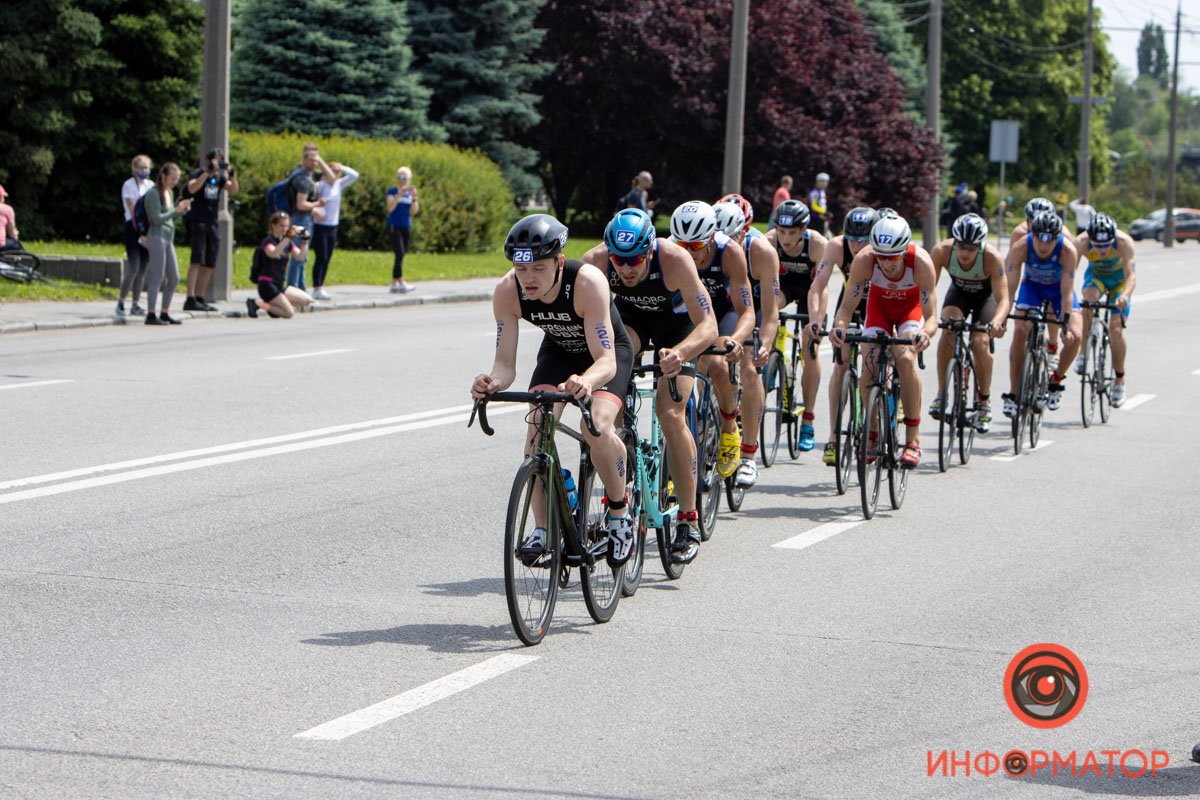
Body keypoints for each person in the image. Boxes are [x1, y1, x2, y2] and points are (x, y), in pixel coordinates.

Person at [471, 214, 637, 568]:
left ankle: (620, 513)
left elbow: (607, 359)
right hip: (559, 352)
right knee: (536, 431)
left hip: (604, 355)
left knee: (596, 425)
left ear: (559, 262)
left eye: (539, 269)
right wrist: (492, 383)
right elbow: (505, 364)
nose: (528, 279)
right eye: (521, 268)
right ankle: (544, 528)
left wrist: (588, 381)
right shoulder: (506, 291)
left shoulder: (587, 282)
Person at [582, 208, 718, 564]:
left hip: (677, 330)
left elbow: (708, 325)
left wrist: (682, 353)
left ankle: (688, 519)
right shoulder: (595, 262)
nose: (626, 269)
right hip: (633, 327)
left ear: (650, 251)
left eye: (636, 260)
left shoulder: (674, 259)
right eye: (619, 260)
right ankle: (622, 484)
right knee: (610, 399)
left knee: (670, 414)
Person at [830, 215, 937, 468]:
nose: (886, 263)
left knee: (905, 356)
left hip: (909, 312)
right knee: (870, 358)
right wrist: (839, 327)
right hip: (879, 310)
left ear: (904, 250)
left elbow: (932, 317)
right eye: (881, 256)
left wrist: (925, 335)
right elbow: (846, 308)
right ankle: (873, 430)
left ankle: (912, 439)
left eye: (892, 256)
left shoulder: (920, 262)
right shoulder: (865, 260)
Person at [676, 200, 754, 482]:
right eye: (683, 246)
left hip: (724, 313)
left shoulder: (730, 252)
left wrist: (736, 340)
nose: (689, 253)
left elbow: (747, 311)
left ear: (710, 237)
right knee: (678, 380)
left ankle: (730, 426)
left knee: (718, 362)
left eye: (696, 246)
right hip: (690, 314)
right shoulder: (673, 253)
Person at [714, 193, 780, 488]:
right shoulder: (708, 248)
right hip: (719, 308)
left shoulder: (762, 252)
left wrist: (764, 344)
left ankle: (749, 457)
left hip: (753, 309)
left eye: (731, 237)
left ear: (745, 231)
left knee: (751, 370)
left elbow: (770, 311)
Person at [808, 206, 878, 465]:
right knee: (841, 365)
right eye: (853, 239)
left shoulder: (882, 248)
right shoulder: (836, 246)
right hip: (851, 303)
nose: (858, 246)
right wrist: (816, 320)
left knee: (875, 361)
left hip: (879, 305)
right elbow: (819, 284)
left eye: (864, 240)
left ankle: (877, 420)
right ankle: (835, 436)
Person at [928, 213, 1010, 433]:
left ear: (980, 245)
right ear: (954, 242)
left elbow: (1003, 298)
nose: (965, 253)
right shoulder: (941, 251)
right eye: (961, 246)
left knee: (980, 343)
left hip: (986, 298)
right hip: (959, 295)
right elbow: (928, 290)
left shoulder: (992, 257)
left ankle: (984, 403)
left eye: (971, 248)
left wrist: (998, 322)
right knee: (949, 328)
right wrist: (930, 316)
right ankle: (941, 394)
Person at [1003, 210, 1083, 417]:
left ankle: (1055, 380)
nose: (1044, 245)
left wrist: (1064, 325)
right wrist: (1002, 317)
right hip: (1033, 288)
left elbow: (1067, 293)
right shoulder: (1020, 247)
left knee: (1076, 336)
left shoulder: (1067, 250)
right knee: (1020, 329)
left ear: (1057, 238)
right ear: (1033, 234)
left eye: (1049, 240)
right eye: (1039, 239)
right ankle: (1013, 392)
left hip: (1058, 291)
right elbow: (1010, 289)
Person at [765, 199, 828, 451]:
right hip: (784, 287)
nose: (786, 238)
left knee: (809, 349)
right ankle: (772, 357)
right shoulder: (769, 242)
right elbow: (764, 286)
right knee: (769, 310)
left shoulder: (818, 246)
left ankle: (808, 420)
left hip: (811, 291)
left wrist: (816, 321)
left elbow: (821, 289)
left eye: (792, 233)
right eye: (782, 232)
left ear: (803, 230)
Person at [1074, 213, 1136, 407]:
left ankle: (1119, 379)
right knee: (1088, 300)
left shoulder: (1124, 243)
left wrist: (1125, 295)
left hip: (1119, 283)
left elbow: (1131, 276)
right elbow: (1069, 271)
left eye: (1106, 245)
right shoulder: (1081, 242)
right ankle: (1083, 353)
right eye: (1097, 245)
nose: (1101, 250)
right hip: (1097, 278)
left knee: (1115, 329)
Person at [182, 148, 239, 311]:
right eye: (215, 160)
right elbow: (192, 188)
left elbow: (234, 190)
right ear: (208, 161)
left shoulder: (220, 178)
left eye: (220, 160)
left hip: (212, 222)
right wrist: (207, 173)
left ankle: (200, 297)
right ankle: (190, 297)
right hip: (198, 220)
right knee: (196, 260)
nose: (217, 163)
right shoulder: (198, 173)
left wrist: (232, 174)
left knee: (210, 262)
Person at [141, 163, 191, 325]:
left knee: (174, 277)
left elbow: (168, 218)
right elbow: (156, 219)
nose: (175, 182)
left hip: (168, 238)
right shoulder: (154, 194)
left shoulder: (169, 192)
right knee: (158, 276)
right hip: (156, 237)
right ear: (163, 176)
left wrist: (181, 211)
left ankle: (164, 312)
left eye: (177, 179)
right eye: (172, 178)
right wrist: (176, 211)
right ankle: (150, 314)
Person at [247, 211, 314, 319]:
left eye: (286, 226)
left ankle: (276, 308)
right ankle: (257, 303)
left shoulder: (287, 243)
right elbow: (273, 253)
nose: (284, 229)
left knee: (306, 300)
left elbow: (299, 257)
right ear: (273, 225)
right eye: (281, 226)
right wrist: (287, 238)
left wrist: (304, 242)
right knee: (289, 313)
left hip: (279, 284)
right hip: (267, 284)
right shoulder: (268, 241)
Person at [310, 161, 359, 300]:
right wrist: (315, 209)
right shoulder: (320, 186)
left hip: (333, 225)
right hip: (320, 225)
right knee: (321, 256)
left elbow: (355, 175)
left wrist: (342, 167)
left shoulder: (338, 185)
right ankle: (317, 287)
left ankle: (321, 286)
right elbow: (311, 199)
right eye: (333, 172)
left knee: (328, 257)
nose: (335, 175)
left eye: (337, 173)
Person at [285, 143, 330, 292]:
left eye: (316, 160)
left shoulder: (308, 175)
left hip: (304, 219)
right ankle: (294, 289)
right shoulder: (303, 179)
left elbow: (331, 177)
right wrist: (318, 204)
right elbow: (301, 204)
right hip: (299, 219)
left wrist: (319, 159)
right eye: (311, 160)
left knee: (302, 255)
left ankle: (300, 289)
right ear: (304, 160)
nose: (314, 163)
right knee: (298, 255)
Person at [117, 155, 153, 317]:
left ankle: (136, 304)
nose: (143, 171)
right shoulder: (128, 185)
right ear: (134, 169)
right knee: (133, 267)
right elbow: (133, 209)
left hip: (148, 227)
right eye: (141, 168)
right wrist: (140, 231)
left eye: (146, 168)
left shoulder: (151, 185)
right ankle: (121, 301)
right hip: (133, 227)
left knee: (142, 269)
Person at [386, 166, 418, 294]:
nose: (401, 180)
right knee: (399, 253)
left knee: (402, 254)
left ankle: (394, 283)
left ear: (409, 179)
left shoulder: (411, 193)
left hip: (406, 225)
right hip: (394, 225)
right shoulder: (392, 191)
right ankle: (401, 281)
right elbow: (390, 208)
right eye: (399, 177)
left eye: (404, 178)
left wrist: (415, 198)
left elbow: (414, 211)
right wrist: (399, 194)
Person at [0, 184, 22, 252]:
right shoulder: (6, 209)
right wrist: (16, 235)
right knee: (16, 244)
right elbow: (12, 233)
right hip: (1, 246)